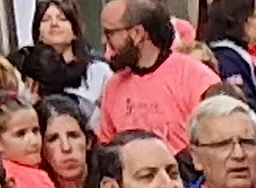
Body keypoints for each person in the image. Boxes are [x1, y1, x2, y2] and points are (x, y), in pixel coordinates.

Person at [91, 0, 220, 148]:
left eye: (110, 33)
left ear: (137, 33)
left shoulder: (198, 79)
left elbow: (215, 144)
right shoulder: (113, 87)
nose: (103, 40)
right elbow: (107, 150)